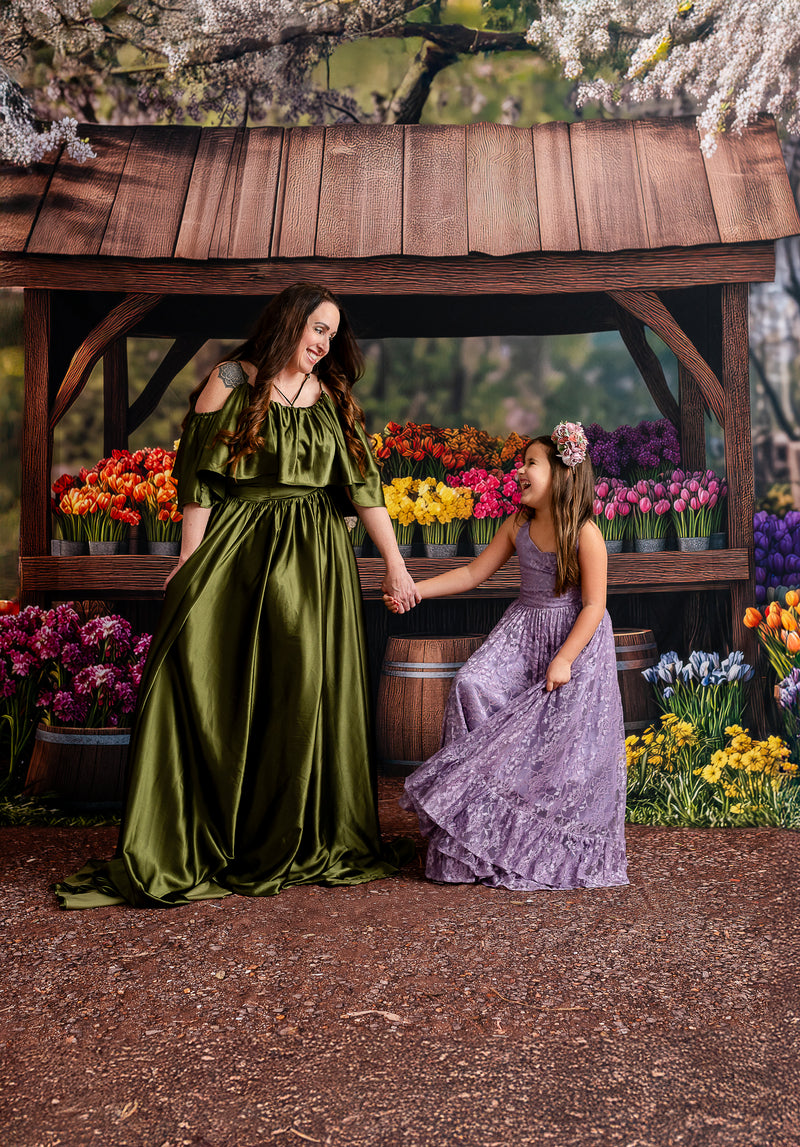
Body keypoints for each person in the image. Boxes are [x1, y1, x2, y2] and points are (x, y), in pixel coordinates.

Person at [55, 282, 418, 909]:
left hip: (316, 560)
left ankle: (300, 832)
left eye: (334, 334)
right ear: (289, 323)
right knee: (214, 675)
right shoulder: (230, 379)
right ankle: (212, 829)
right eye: (318, 330)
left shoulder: (333, 397)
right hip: (241, 547)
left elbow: (363, 487)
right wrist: (188, 560)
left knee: (302, 689)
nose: (326, 344)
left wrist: (395, 565)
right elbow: (198, 478)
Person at [386, 423, 629, 892]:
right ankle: (478, 832)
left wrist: (564, 660)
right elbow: (474, 572)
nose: (520, 472)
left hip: (573, 637)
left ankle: (530, 835)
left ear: (562, 473)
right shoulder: (518, 525)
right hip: (524, 627)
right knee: (472, 683)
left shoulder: (586, 534)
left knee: (558, 739)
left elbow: (595, 606)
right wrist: (416, 590)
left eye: (531, 463)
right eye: (522, 464)